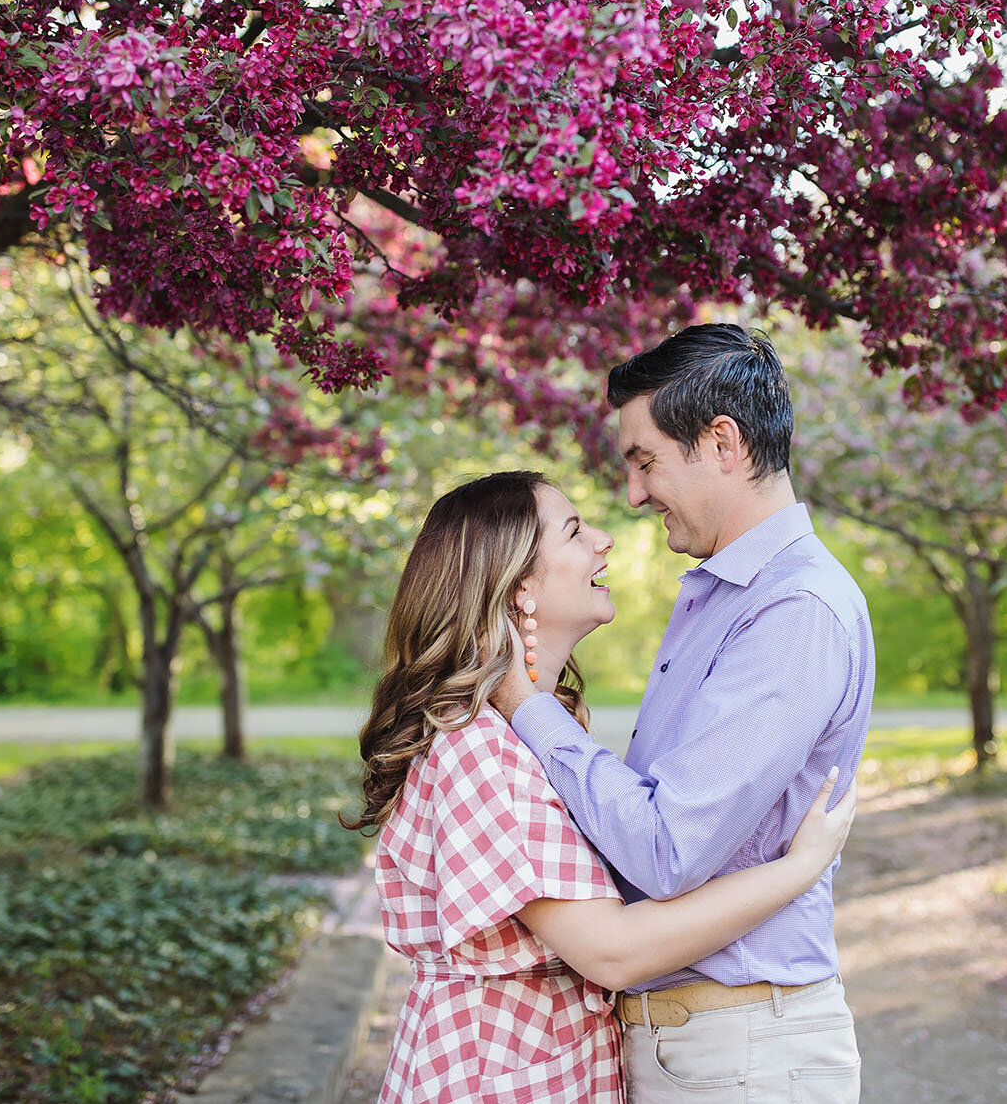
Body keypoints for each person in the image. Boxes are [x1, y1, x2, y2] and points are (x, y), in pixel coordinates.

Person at [353, 470, 857, 1103]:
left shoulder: (525, 734)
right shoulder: (479, 749)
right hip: (499, 1074)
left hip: (532, 1062)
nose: (604, 540)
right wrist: (800, 867)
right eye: (572, 530)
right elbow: (613, 952)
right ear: (519, 587)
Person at [489, 324, 876, 1103]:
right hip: (702, 1045)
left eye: (644, 460)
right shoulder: (720, 594)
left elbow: (667, 849)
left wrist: (528, 706)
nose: (633, 492)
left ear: (723, 442)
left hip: (742, 1052)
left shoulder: (792, 609)